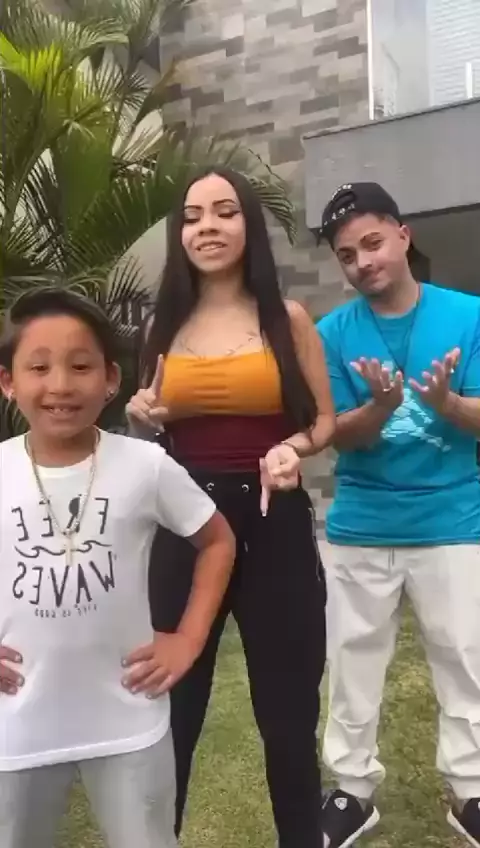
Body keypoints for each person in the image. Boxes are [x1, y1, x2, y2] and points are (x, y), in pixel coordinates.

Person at [126, 166, 336, 848]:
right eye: (192, 217)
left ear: (249, 223)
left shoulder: (287, 319)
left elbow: (323, 421)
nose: (207, 228)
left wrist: (292, 448)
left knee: (287, 712)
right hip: (185, 524)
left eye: (224, 212)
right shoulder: (160, 325)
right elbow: (150, 427)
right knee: (171, 707)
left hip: (274, 520)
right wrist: (140, 416)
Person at [0, 287, 235, 848]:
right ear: (8, 382)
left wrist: (190, 638)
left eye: (81, 366)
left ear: (111, 379)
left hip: (128, 719)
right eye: (39, 368)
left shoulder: (144, 465)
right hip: (17, 723)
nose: (60, 385)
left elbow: (217, 541)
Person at [316, 182, 480, 848]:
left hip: (453, 520)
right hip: (362, 525)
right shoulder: (332, 334)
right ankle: (351, 792)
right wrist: (382, 407)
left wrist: (447, 404)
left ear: (403, 235)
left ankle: (471, 790)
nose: (363, 262)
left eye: (373, 243)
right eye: (347, 254)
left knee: (465, 659)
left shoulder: (469, 315)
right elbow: (335, 433)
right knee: (352, 664)